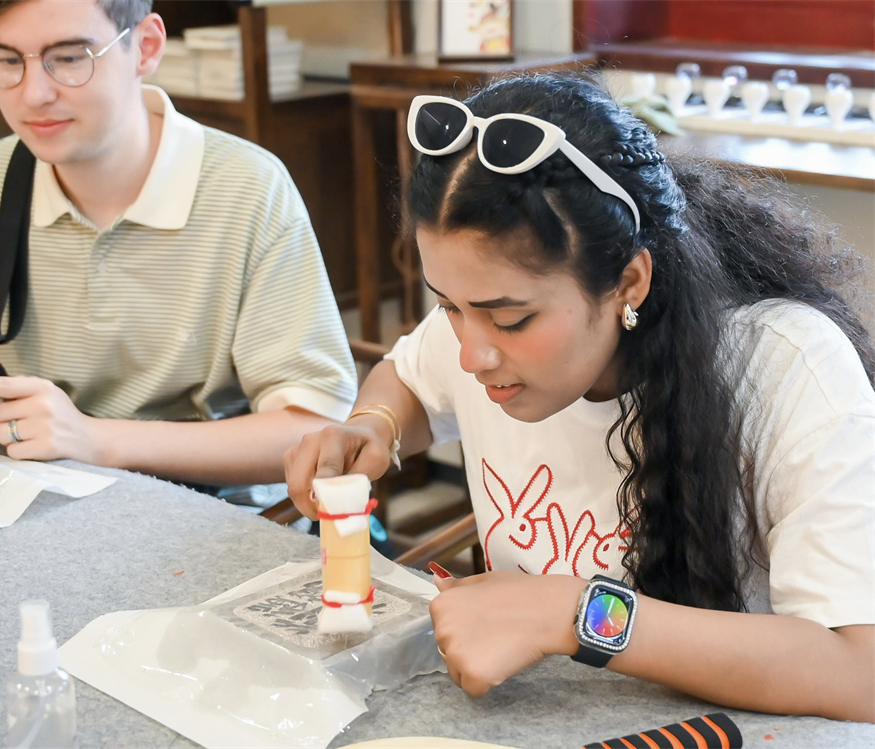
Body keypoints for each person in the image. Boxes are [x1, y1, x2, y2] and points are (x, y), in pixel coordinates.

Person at [284, 73, 875, 721]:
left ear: (628, 282)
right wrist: (373, 423)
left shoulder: (787, 367)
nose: (471, 355)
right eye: (449, 306)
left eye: (510, 320)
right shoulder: (485, 325)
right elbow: (408, 379)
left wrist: (571, 611)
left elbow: (857, 671)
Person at [0, 0, 357, 489]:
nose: (33, 94)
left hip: (212, 511)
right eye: (8, 61)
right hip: (41, 491)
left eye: (69, 58)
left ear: (145, 47)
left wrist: (95, 439)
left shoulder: (247, 188)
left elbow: (314, 429)